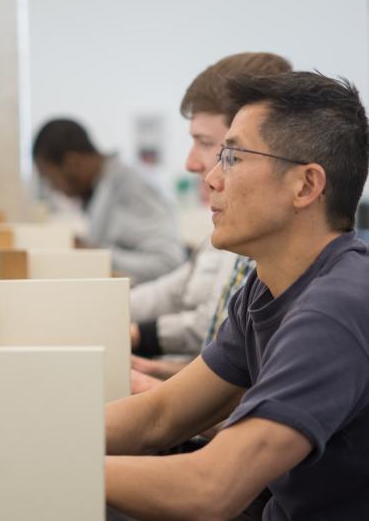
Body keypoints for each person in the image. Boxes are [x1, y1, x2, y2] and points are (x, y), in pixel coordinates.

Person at [106, 71, 369, 520]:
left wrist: (51, 464)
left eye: (231, 157)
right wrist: (51, 438)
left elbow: (210, 488)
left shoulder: (336, 309)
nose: (210, 177)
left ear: (305, 186)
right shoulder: (264, 287)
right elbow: (161, 416)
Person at [130, 53, 291, 384]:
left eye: (207, 144)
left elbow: (262, 414)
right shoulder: (237, 243)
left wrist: (155, 386)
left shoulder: (297, 273)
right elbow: (230, 379)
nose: (193, 165)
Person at [32, 119, 185, 284]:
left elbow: (168, 263)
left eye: (50, 179)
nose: (53, 189)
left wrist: (95, 256)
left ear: (71, 163)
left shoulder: (131, 187)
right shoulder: (102, 186)